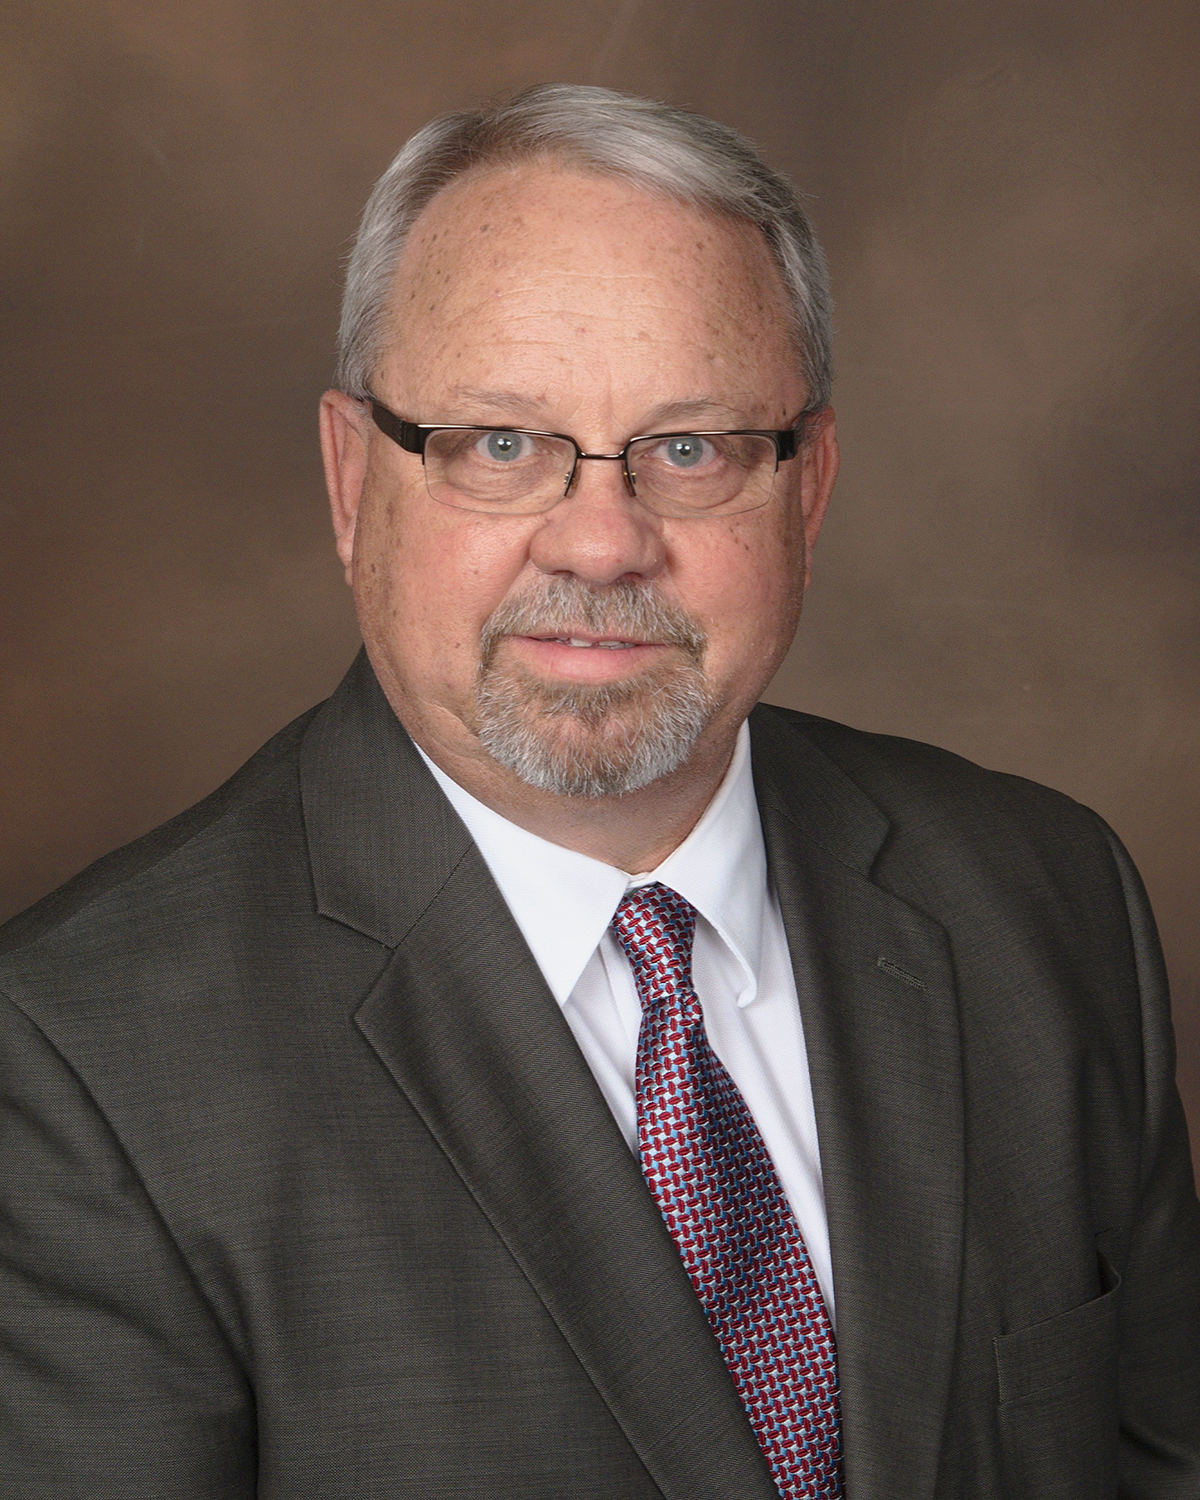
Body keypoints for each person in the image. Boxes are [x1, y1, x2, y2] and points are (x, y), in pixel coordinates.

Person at [1, 83, 1197, 1500]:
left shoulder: (1046, 899)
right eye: (501, 444)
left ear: (808, 486)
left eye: (691, 448)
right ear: (351, 480)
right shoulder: (81, 1064)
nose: (601, 541)